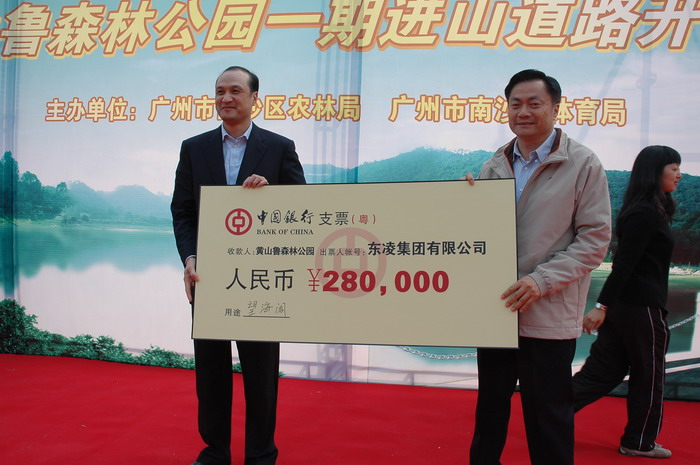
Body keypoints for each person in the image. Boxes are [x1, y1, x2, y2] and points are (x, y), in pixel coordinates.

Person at [466, 69, 612, 465]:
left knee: (548, 417)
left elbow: (594, 241)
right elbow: (479, 238)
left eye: (535, 103)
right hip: (496, 312)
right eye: (515, 104)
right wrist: (464, 203)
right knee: (489, 413)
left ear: (555, 108)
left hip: (548, 312)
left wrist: (540, 281)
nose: (523, 112)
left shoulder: (582, 163)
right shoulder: (494, 165)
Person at [171, 66, 306, 465]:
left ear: (253, 98)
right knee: (211, 373)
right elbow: (183, 211)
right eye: (219, 91)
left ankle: (261, 455)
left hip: (260, 278)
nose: (226, 98)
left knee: (261, 375)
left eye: (235, 91)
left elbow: (303, 208)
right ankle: (215, 453)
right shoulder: (193, 147)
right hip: (208, 277)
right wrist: (190, 259)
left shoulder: (279, 147)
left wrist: (271, 194)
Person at [572, 146, 682, 459]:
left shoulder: (646, 210)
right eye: (673, 167)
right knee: (649, 377)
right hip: (641, 308)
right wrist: (601, 306)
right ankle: (639, 441)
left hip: (627, 308)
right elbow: (625, 264)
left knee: (603, 372)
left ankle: (548, 413)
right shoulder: (645, 213)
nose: (679, 174)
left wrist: (607, 306)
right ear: (655, 171)